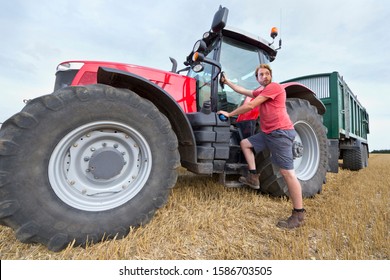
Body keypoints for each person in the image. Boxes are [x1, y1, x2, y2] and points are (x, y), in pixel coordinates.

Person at [217, 64, 305, 229]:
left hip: (281, 133)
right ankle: (253, 176)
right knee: (245, 144)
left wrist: (229, 114)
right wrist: (227, 82)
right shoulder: (262, 91)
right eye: (260, 75)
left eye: (266, 74)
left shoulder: (274, 87)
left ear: (270, 75)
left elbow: (250, 105)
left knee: (287, 173)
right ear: (257, 78)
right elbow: (243, 91)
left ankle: (298, 213)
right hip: (267, 134)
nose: (264, 76)